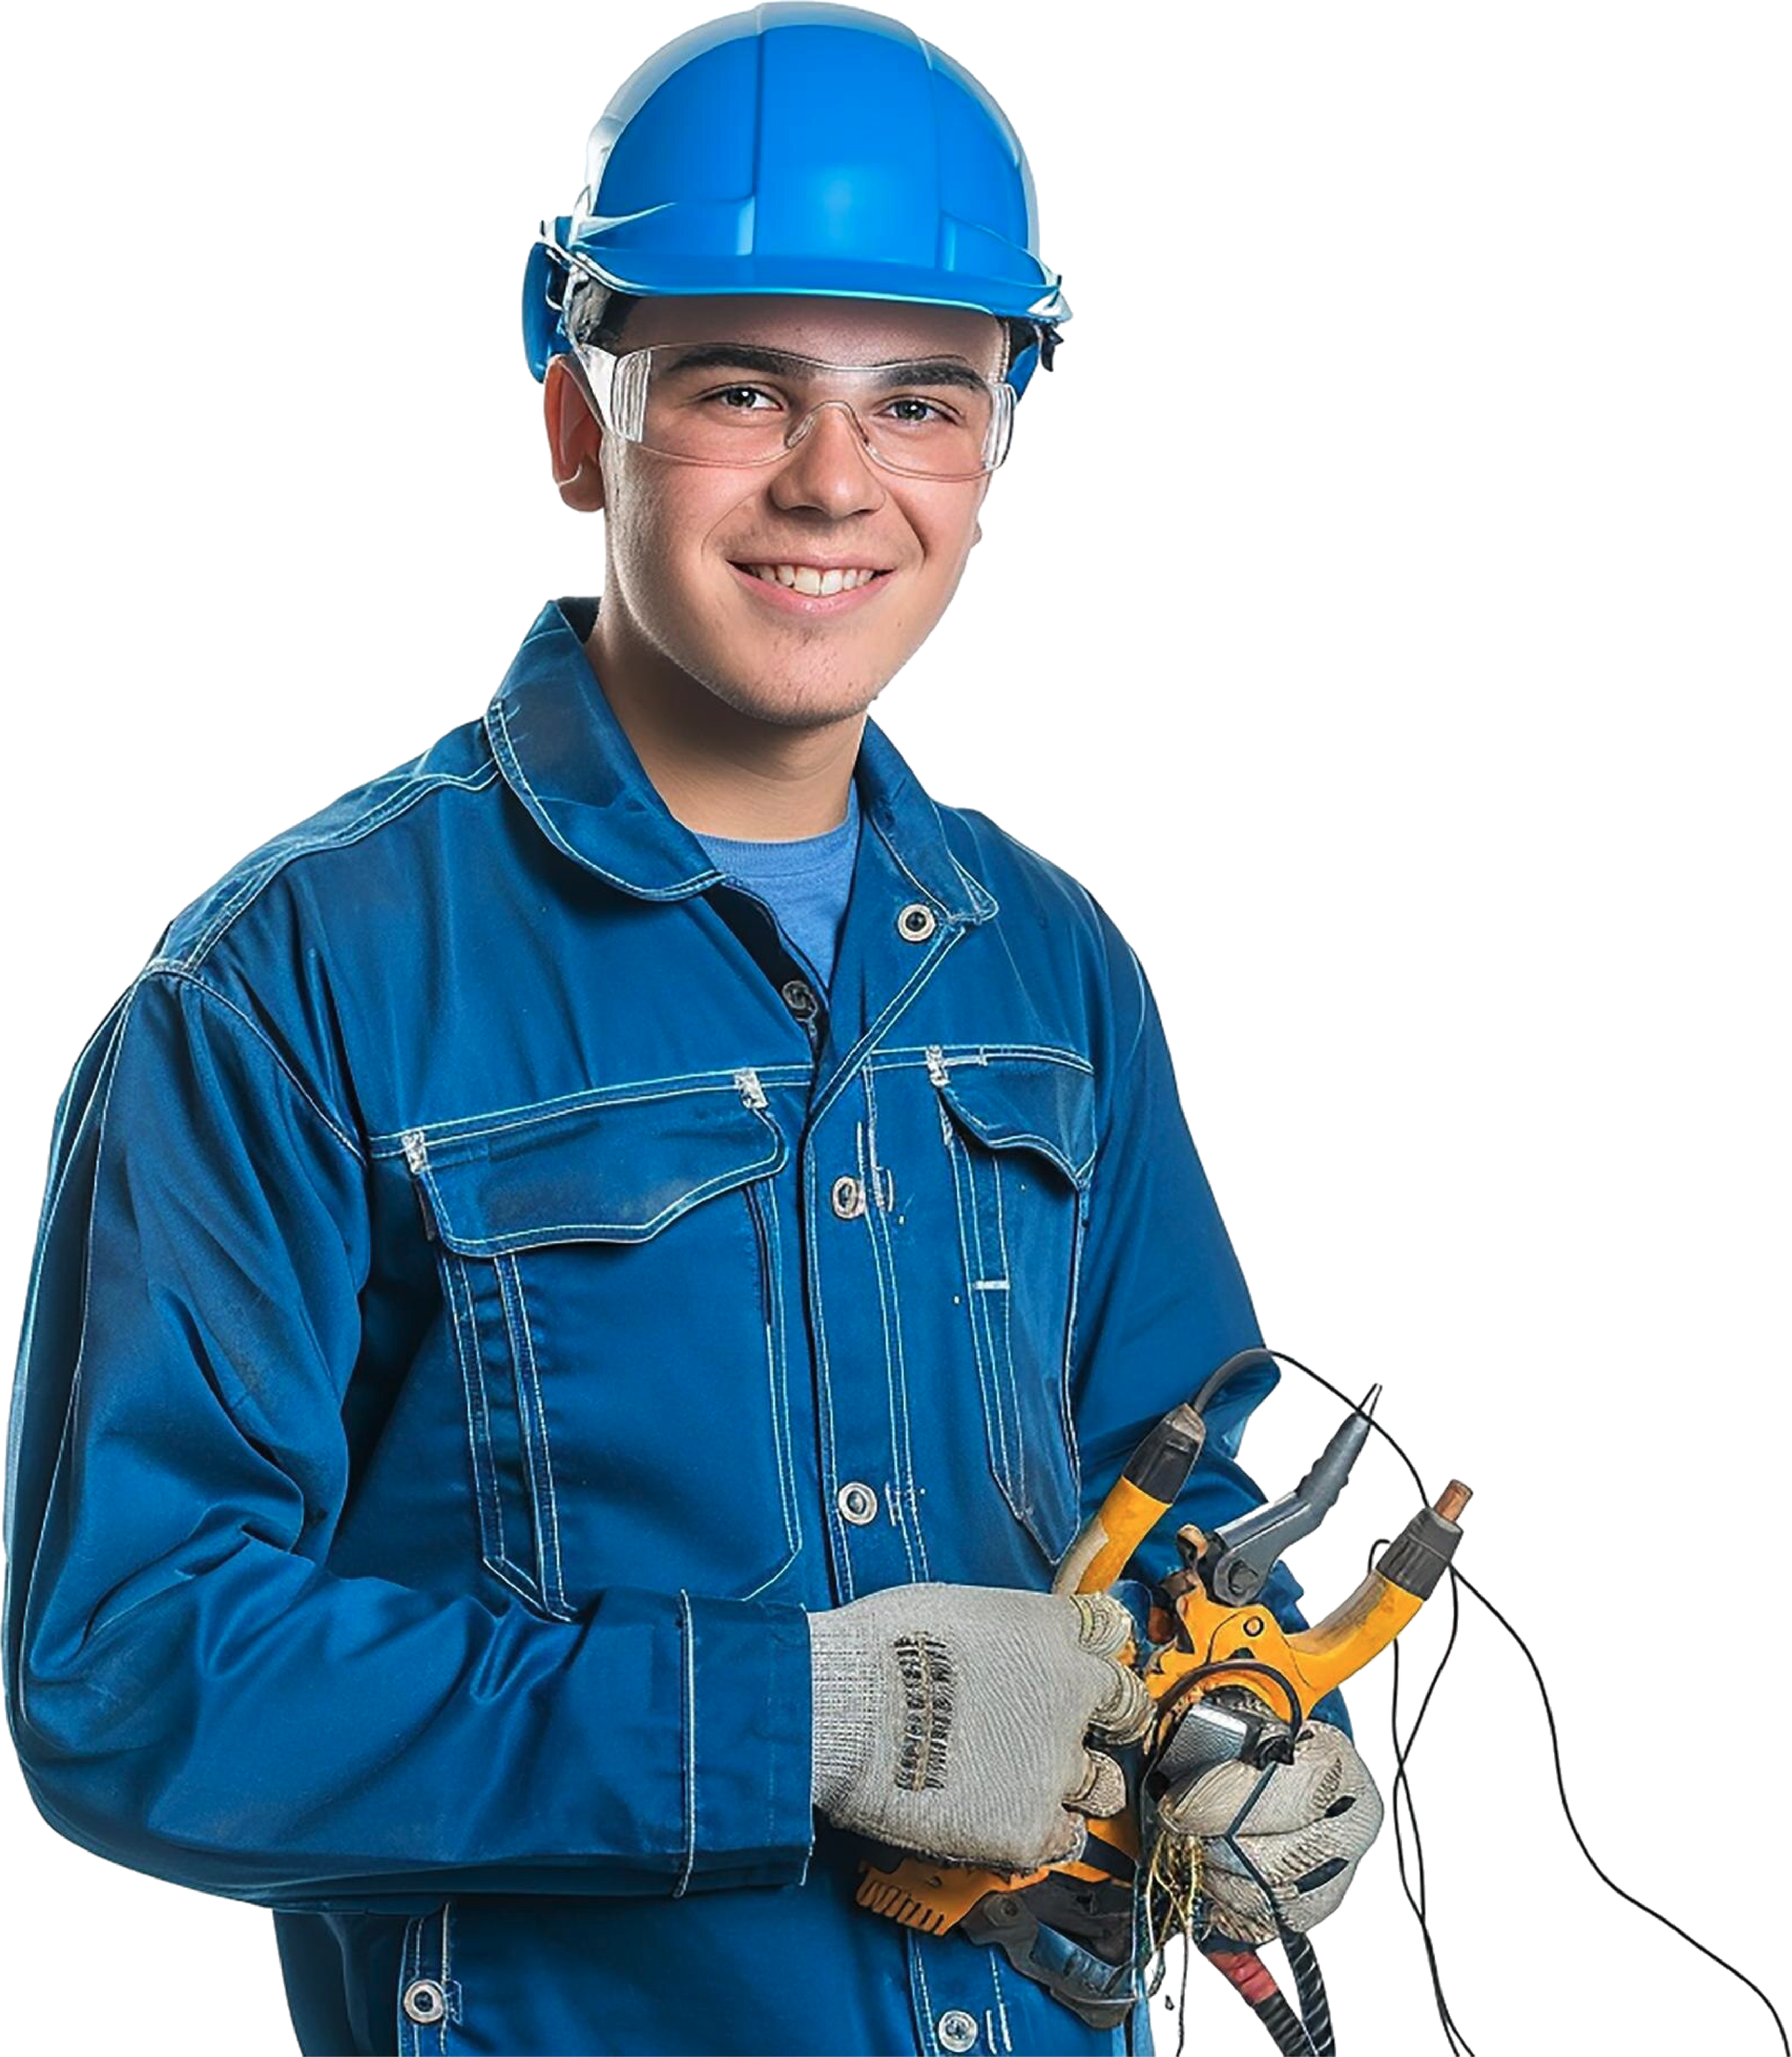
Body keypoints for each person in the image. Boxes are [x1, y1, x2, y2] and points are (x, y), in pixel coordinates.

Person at [1, 6, 1381, 2052]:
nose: (837, 481)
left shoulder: (1048, 969)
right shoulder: (294, 984)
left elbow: (1167, 1514)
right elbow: (136, 1678)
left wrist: (1241, 1721)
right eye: (742, 388)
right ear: (576, 417)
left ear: (1001, 435)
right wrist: (793, 1724)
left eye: (921, 402)